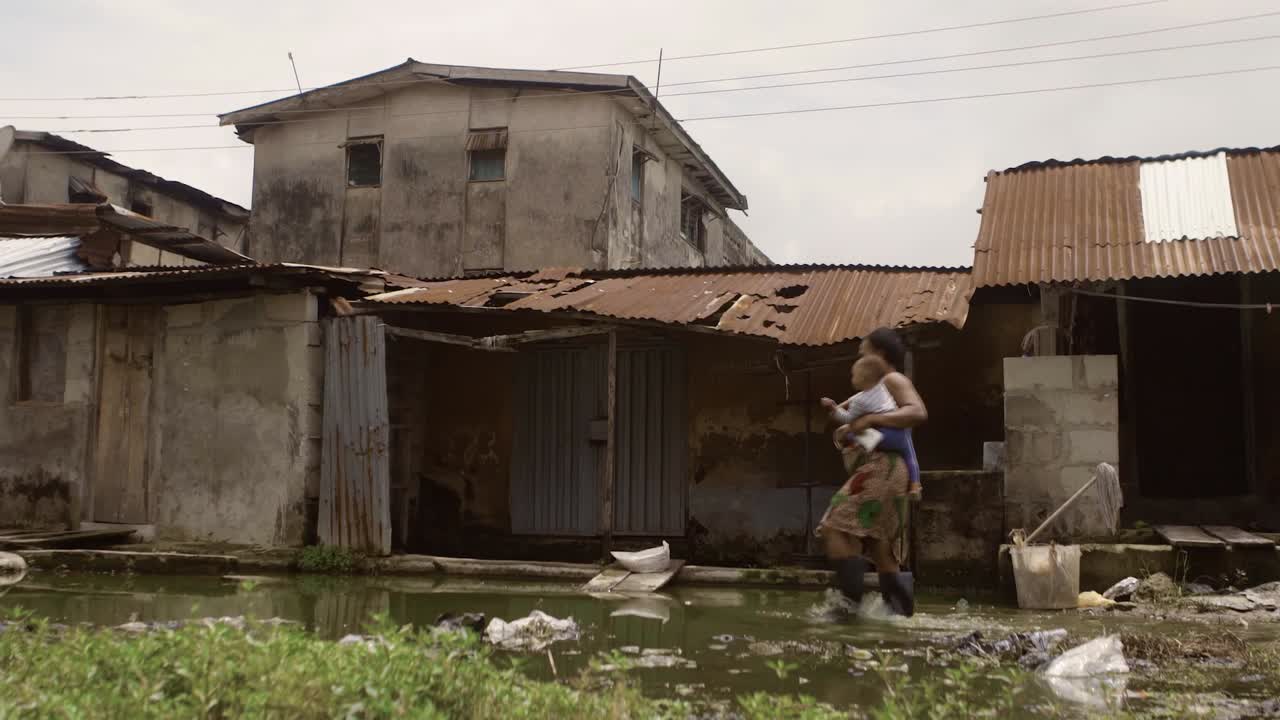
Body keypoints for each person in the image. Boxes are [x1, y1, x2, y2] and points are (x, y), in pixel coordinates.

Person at [816, 327, 927, 617]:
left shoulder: (892, 378)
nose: (859, 357)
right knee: (879, 543)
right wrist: (849, 430)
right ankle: (898, 616)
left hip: (884, 468)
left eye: (863, 351)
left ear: (880, 354)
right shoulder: (874, 389)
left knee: (833, 525)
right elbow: (860, 426)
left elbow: (917, 412)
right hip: (885, 466)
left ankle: (847, 607)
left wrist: (868, 421)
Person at [820, 356, 921, 499]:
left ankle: (849, 439)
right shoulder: (883, 388)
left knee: (851, 430)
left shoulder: (860, 401)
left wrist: (832, 408)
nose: (852, 378)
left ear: (861, 380)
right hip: (901, 432)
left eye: (854, 375)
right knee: (910, 454)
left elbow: (847, 418)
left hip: (884, 436)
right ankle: (915, 486)